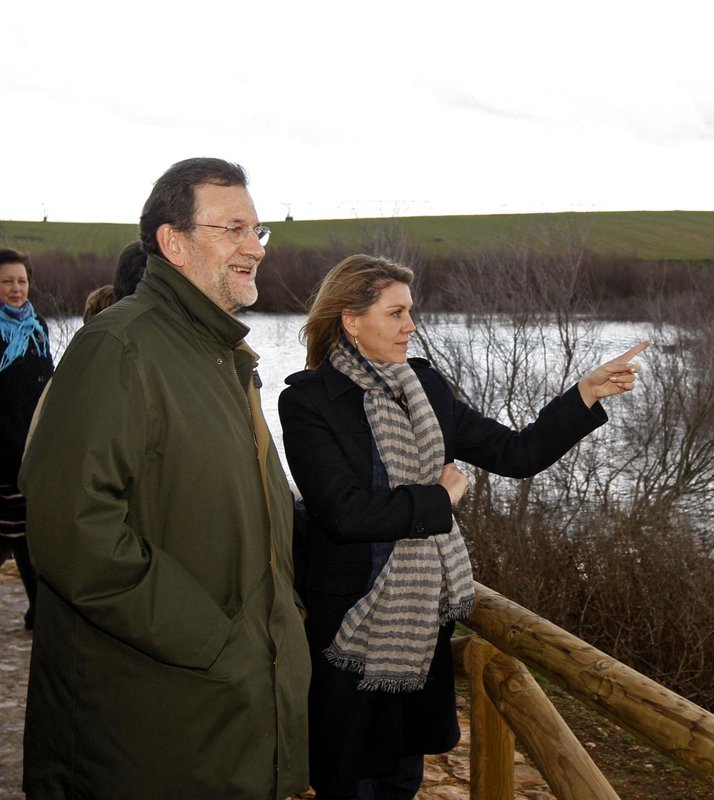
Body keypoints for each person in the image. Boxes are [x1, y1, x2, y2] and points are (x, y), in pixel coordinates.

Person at [279, 254, 648, 800]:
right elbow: (343, 513)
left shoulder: (425, 387)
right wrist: (440, 499)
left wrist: (585, 393)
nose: (411, 325)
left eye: (411, 311)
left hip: (419, 623)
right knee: (347, 778)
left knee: (401, 775)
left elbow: (516, 453)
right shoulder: (308, 402)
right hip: (346, 631)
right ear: (351, 320)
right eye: (396, 313)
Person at [19, 157, 310, 799]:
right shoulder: (119, 347)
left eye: (257, 230)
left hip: (219, 713)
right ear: (173, 242)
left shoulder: (221, 357)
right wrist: (212, 638)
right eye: (232, 229)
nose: (255, 248)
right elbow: (73, 532)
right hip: (149, 725)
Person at [0, 247, 53, 630]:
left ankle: (39, 611)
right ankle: (40, 612)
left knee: (26, 530)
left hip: (34, 446)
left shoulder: (38, 328)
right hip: (3, 448)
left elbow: (46, 385)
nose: (16, 288)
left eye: (21, 281)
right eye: (7, 282)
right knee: (13, 531)